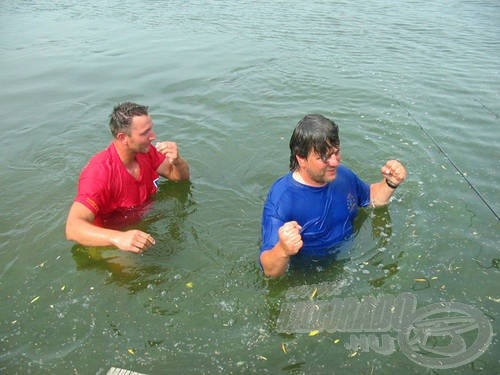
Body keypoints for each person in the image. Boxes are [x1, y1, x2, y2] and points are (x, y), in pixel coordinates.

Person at [260, 114, 407, 278]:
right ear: (301, 159)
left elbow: (371, 198)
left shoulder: (342, 175)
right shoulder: (282, 201)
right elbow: (269, 271)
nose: (335, 162)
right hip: (308, 277)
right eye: (324, 157)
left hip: (348, 264)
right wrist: (282, 249)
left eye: (336, 153)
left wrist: (390, 183)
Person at [66, 102, 190, 253]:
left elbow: (178, 177)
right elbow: (72, 228)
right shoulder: (98, 174)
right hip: (110, 238)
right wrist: (118, 238)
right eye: (145, 133)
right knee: (134, 274)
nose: (153, 136)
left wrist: (177, 161)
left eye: (151, 129)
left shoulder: (146, 151)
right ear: (123, 137)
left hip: (141, 221)